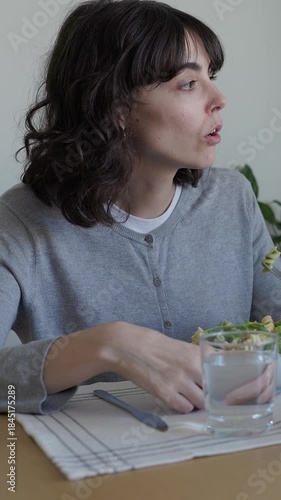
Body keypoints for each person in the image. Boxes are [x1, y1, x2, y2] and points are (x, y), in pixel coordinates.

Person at [0, 0, 280, 415]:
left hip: (225, 455)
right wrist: (109, 345)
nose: (219, 98)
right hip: (88, 472)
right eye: (188, 83)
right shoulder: (19, 222)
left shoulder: (232, 200)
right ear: (117, 109)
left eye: (212, 76)